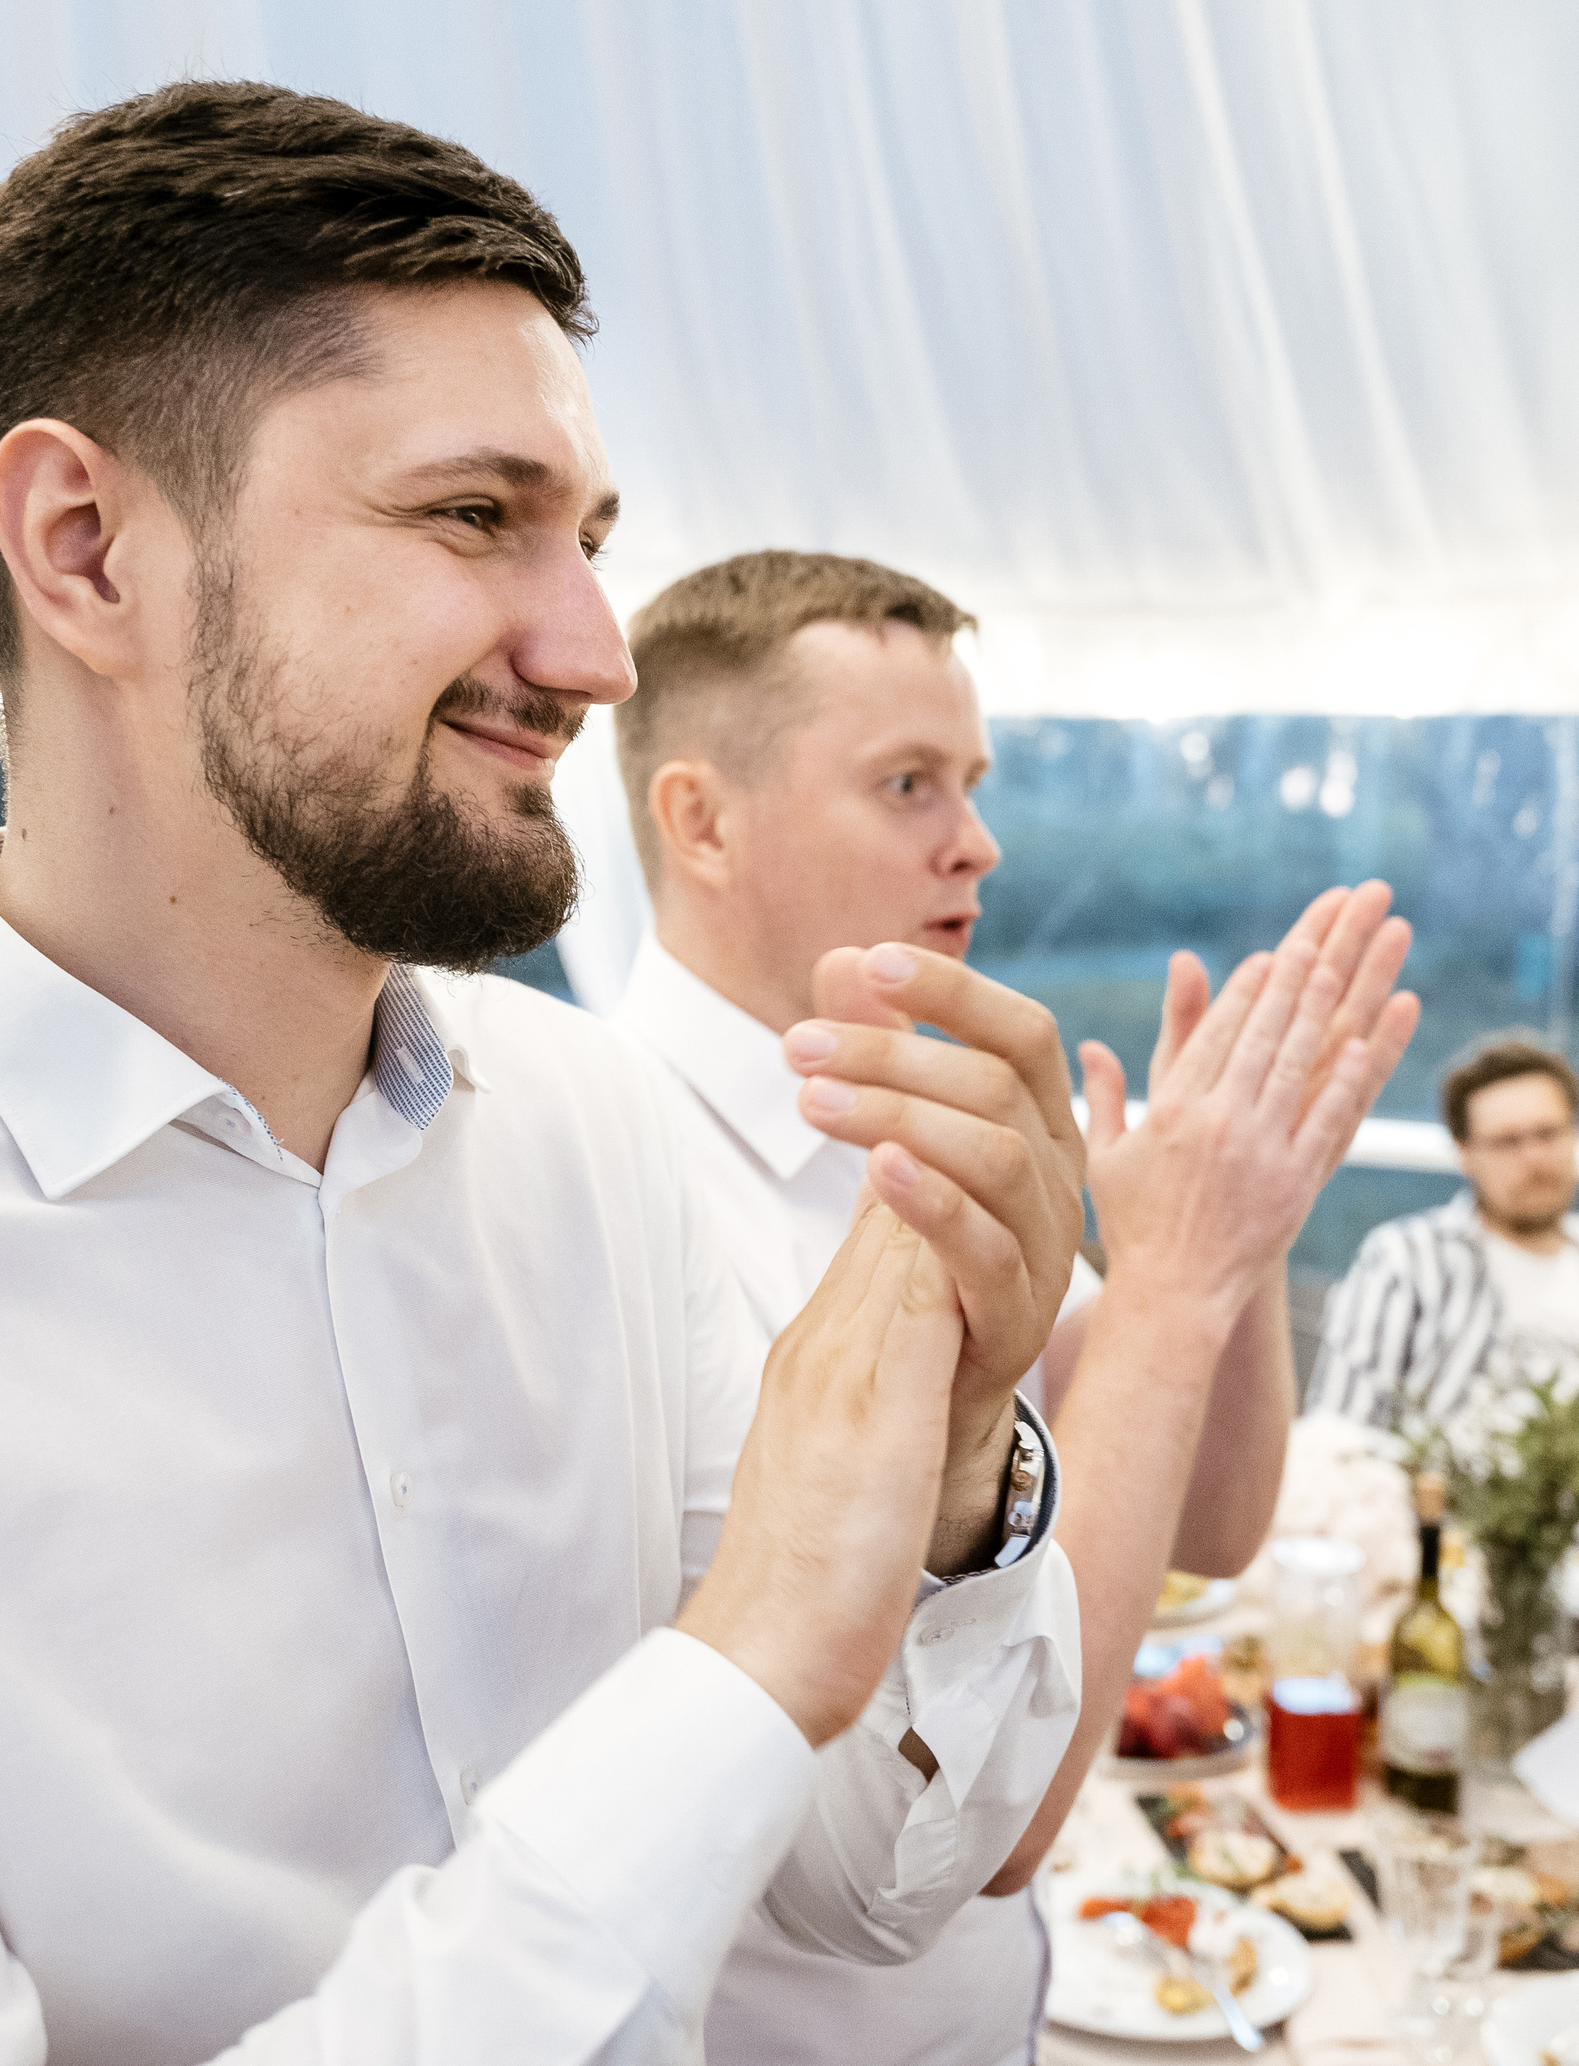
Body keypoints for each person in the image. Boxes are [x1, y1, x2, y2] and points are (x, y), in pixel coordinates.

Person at [0, 86, 1110, 2066]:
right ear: (89, 551)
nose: (595, 648)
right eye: (473, 516)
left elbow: (861, 1886)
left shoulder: (593, 1137)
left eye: (589, 539)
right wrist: (750, 1650)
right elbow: (749, 1706)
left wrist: (959, 1480)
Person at [608, 550, 1420, 2066]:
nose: (977, 844)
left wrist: (1234, 1237)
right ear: (700, 818)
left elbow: (1208, 1517)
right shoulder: (623, 1177)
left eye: (971, 782)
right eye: (908, 783)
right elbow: (1002, 1818)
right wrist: (1172, 1278)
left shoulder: (914, 1108)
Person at [1308, 1034, 1579, 1526]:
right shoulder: (1404, 1260)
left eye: (1548, 1134)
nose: (1534, 1159)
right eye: (1507, 1142)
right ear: (1464, 1152)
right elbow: (1337, 1442)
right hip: (1448, 1550)